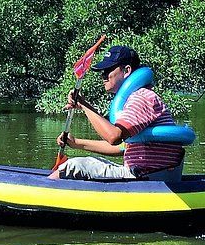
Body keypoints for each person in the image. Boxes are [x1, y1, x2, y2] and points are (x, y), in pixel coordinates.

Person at [48, 45, 185, 182]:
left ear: (126, 70)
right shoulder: (139, 97)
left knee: (72, 166)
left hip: (146, 177)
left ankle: (44, 188)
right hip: (146, 175)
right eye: (102, 72)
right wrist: (76, 143)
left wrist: (83, 105)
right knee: (84, 164)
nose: (103, 76)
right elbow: (121, 147)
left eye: (108, 70)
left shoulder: (141, 97)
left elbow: (113, 137)